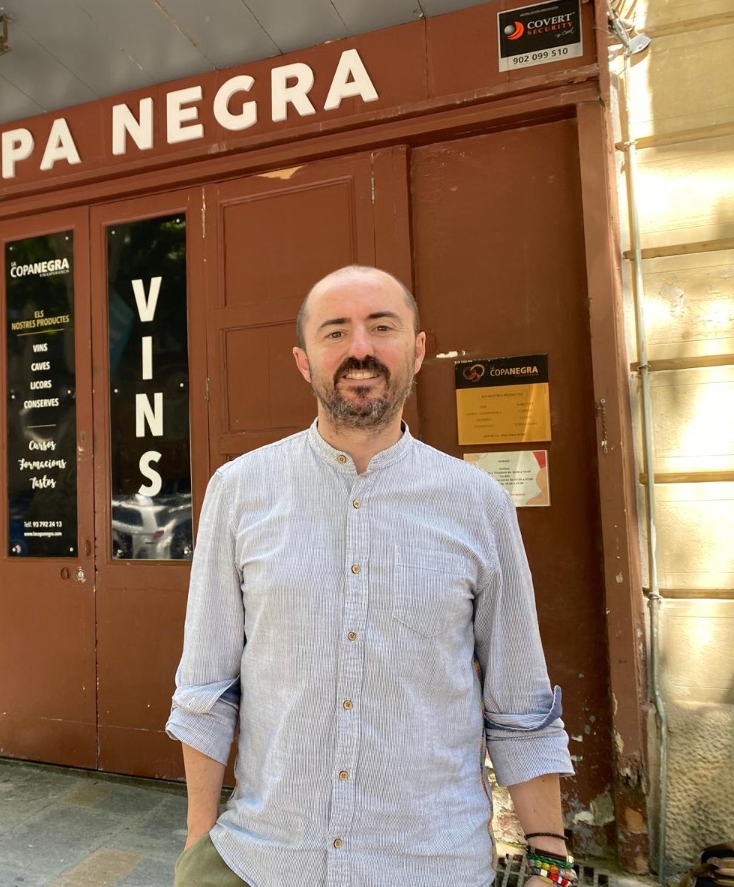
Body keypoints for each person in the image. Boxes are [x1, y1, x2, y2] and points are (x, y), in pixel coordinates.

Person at [167, 266, 576, 887]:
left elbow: (520, 705)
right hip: (265, 861)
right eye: (336, 332)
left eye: (381, 327)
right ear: (305, 362)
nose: (360, 348)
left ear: (417, 351)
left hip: (433, 867)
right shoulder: (239, 491)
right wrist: (200, 844)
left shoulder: (477, 502)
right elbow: (206, 685)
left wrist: (549, 859)